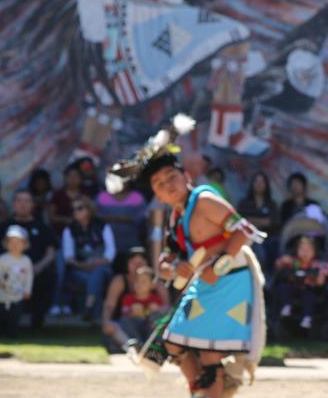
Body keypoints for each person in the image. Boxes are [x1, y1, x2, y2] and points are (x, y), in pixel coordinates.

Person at [109, 114, 265, 398]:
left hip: (230, 280)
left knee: (207, 351)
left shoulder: (203, 200)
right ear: (156, 194)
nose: (168, 185)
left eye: (172, 177)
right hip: (207, 283)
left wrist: (219, 266)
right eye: (159, 183)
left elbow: (244, 231)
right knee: (172, 342)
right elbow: (167, 262)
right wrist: (171, 269)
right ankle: (204, 392)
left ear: (186, 176)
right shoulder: (176, 217)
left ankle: (213, 390)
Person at [0, 190, 57, 328]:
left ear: (33, 205)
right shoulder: (3, 227)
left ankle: (37, 320)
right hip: (6, 272)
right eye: (19, 200)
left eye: (27, 201)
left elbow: (50, 253)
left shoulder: (42, 227)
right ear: (14, 204)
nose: (23, 204)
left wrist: (38, 266)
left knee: (49, 276)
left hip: (35, 270)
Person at [102, 247, 169, 351]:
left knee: (157, 318)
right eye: (133, 262)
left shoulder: (157, 283)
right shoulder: (120, 281)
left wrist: (157, 310)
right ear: (127, 264)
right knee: (123, 323)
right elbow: (110, 305)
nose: (138, 266)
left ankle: (154, 347)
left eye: (141, 262)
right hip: (128, 326)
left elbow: (167, 309)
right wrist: (106, 322)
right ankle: (135, 347)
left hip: (149, 327)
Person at [60, 196, 116, 321]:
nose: (76, 212)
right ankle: (91, 311)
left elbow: (111, 252)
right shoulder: (69, 229)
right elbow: (68, 257)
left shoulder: (102, 226)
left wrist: (98, 262)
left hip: (103, 266)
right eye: (73, 209)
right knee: (93, 277)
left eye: (80, 208)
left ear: (89, 209)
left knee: (98, 272)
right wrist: (82, 265)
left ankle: (89, 307)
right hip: (80, 269)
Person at [275, 235, 328, 329]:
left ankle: (307, 317)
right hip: (294, 288)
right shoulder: (294, 261)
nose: (305, 253)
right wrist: (282, 261)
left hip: (309, 289)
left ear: (315, 251)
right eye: (302, 249)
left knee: (308, 296)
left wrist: (319, 275)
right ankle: (286, 306)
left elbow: (321, 281)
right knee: (283, 287)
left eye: (308, 250)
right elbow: (278, 266)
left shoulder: (318, 264)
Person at [109, 266, 167, 350]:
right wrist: (131, 312)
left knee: (157, 318)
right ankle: (137, 345)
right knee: (124, 320)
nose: (139, 284)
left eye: (144, 282)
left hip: (148, 329)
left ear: (152, 285)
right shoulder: (128, 298)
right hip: (135, 328)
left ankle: (153, 344)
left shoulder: (155, 299)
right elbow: (123, 314)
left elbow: (165, 311)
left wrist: (157, 309)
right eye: (137, 281)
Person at [0, 225, 33, 338]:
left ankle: (12, 336)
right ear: (6, 243)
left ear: (24, 244)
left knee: (14, 319)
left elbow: (29, 277)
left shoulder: (26, 261)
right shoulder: (2, 259)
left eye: (18, 242)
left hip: (17, 298)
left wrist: (27, 290)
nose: (15, 245)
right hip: (0, 297)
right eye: (11, 242)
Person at [238, 172, 280, 274]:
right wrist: (261, 221)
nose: (259, 184)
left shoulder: (271, 204)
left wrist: (252, 220)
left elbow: (272, 222)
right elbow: (242, 221)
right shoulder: (244, 203)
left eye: (262, 181)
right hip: (248, 238)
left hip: (269, 239)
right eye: (256, 181)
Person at [96, 178, 148, 254]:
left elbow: (143, 216)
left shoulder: (136, 197)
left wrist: (128, 219)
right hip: (106, 246)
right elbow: (94, 215)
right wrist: (111, 218)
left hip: (132, 243)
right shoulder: (102, 196)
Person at [49, 164, 84, 236]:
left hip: (82, 233)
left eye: (75, 176)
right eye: (70, 176)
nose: (73, 179)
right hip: (60, 232)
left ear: (80, 178)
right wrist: (66, 220)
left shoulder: (85, 194)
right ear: (65, 178)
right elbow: (52, 217)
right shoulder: (58, 195)